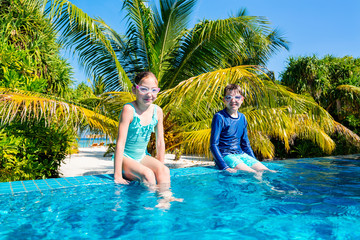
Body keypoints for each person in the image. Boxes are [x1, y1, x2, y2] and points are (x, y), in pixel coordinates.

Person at [113, 71, 170, 186]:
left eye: (154, 90)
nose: (149, 94)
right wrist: (117, 175)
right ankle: (148, 203)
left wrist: (160, 169)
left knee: (165, 171)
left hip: (142, 157)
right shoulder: (129, 110)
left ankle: (165, 201)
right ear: (134, 90)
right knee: (148, 175)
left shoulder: (158, 111)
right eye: (144, 89)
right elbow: (120, 143)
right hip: (126, 158)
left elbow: (160, 142)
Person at [210, 84, 275, 177]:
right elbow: (213, 145)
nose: (233, 100)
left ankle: (277, 190)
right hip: (227, 155)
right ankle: (263, 191)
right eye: (229, 97)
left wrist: (254, 160)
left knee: (267, 171)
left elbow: (245, 144)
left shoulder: (242, 117)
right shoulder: (219, 117)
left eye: (237, 97)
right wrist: (223, 166)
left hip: (241, 155)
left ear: (242, 99)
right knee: (254, 174)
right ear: (224, 100)